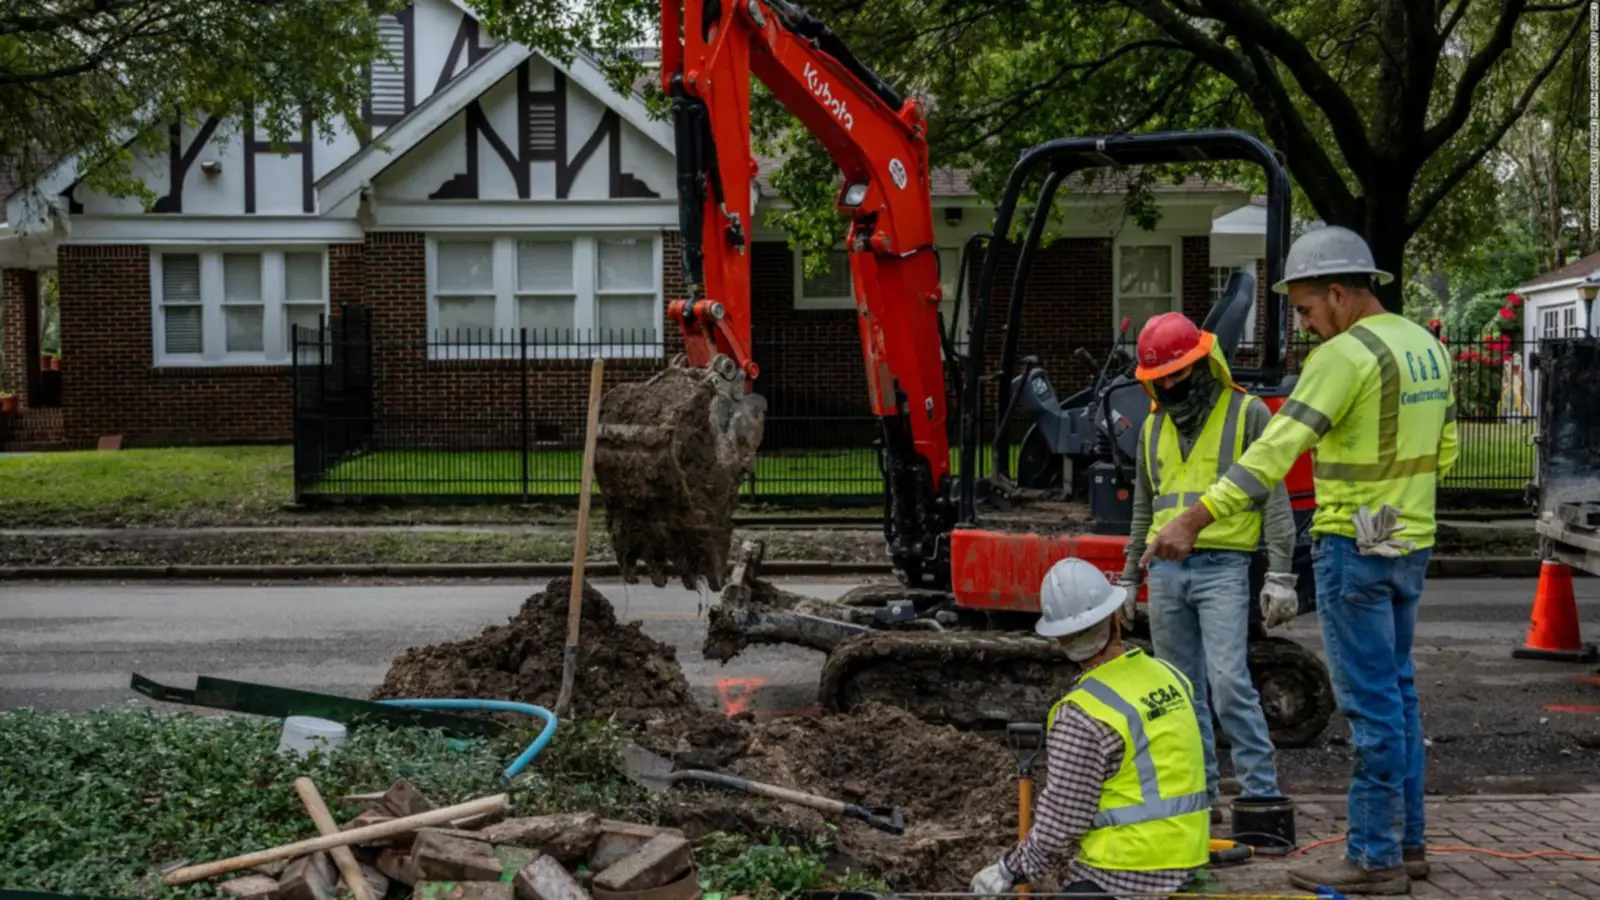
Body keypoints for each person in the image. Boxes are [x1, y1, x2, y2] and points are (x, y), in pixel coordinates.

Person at [1140, 226, 1458, 895]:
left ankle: (1372, 859)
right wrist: (1391, 501)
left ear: (1340, 294)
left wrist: (1196, 517)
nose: (1309, 326)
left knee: (1370, 707)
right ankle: (1409, 843)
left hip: (1352, 544)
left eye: (1309, 310)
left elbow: (1273, 454)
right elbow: (1445, 452)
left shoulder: (1344, 357)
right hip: (1407, 539)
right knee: (1399, 694)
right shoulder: (1427, 348)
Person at [1118, 311, 1299, 821]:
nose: (1171, 385)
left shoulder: (1248, 414)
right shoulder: (1153, 428)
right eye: (1160, 379)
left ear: (1202, 363)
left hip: (1224, 565)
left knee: (1228, 681)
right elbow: (1143, 510)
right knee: (1180, 691)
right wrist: (1131, 576)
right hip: (1167, 571)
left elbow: (1275, 502)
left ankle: (1261, 795)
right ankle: (1201, 796)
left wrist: (1280, 574)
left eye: (1178, 373)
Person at [970, 557, 1210, 899]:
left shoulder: (1082, 713)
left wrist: (1008, 870)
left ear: (1061, 640)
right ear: (1115, 617)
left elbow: (1062, 822)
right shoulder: (1171, 676)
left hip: (1126, 871)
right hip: (1190, 858)